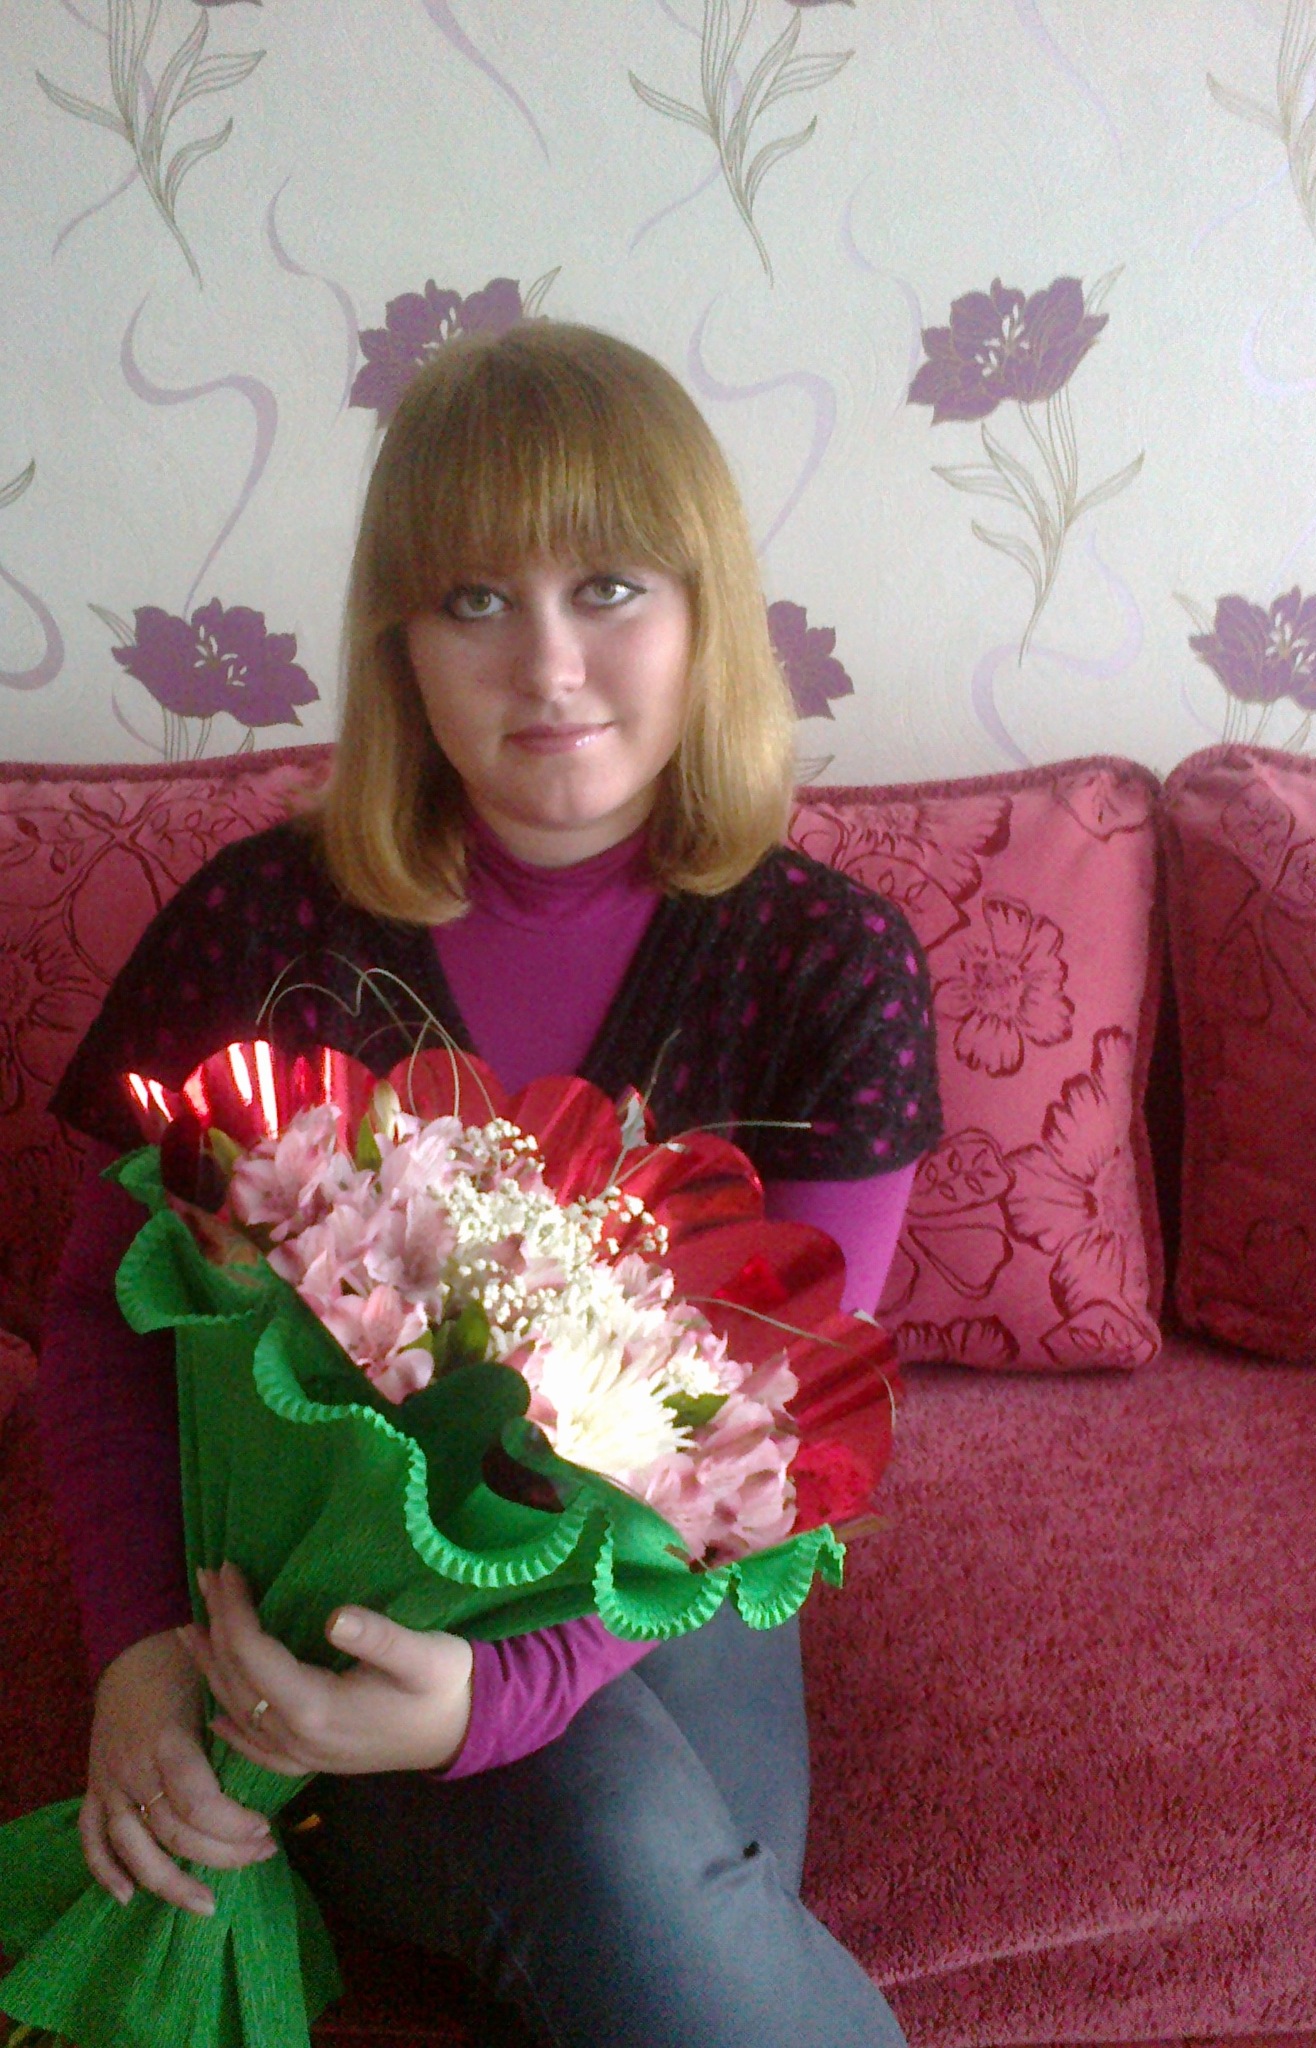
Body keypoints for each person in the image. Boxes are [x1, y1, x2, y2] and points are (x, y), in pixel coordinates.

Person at [40, 322, 941, 2048]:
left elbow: (768, 1463)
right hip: (325, 1597)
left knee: (652, 1881)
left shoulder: (834, 966)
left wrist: (498, 1695)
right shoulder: (260, 929)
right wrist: (137, 1653)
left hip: (659, 1603)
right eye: (474, 601)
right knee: (631, 1874)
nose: (549, 667)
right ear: (401, 645)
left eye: (608, 587)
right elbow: (97, 1322)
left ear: (703, 610)